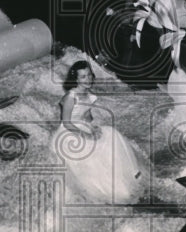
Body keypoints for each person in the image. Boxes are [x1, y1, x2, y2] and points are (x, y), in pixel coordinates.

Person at [52, 61, 143, 204]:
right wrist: (86, 135)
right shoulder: (71, 97)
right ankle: (106, 188)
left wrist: (94, 127)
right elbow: (66, 122)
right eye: (83, 77)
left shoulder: (89, 95)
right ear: (76, 79)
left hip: (83, 126)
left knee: (111, 134)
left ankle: (129, 175)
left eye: (89, 75)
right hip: (68, 133)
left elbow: (87, 116)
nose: (87, 79)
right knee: (91, 151)